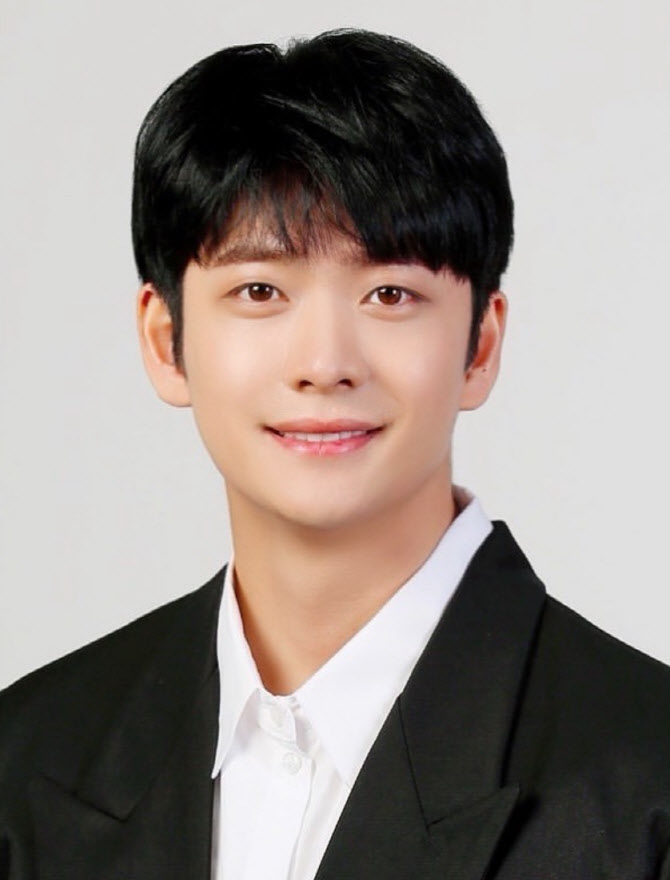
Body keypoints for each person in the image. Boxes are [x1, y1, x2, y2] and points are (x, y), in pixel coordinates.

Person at [1, 27, 669, 880]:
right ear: (167, 341)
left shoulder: (645, 787)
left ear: (480, 346)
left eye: (390, 293)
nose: (324, 363)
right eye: (259, 290)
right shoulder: (26, 760)